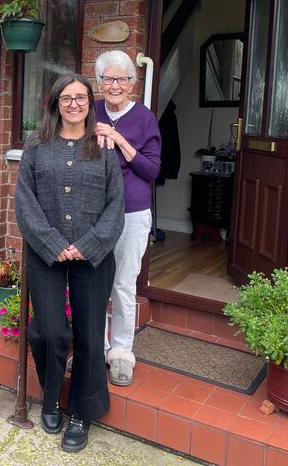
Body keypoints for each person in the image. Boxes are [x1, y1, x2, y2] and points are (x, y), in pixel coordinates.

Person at [15, 73, 125, 453]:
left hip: (91, 257)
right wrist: (52, 242)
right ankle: (50, 397)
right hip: (47, 253)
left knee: (90, 336)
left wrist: (88, 245)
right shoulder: (36, 145)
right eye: (67, 98)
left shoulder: (104, 145)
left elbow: (116, 204)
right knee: (48, 331)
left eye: (81, 98)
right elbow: (24, 200)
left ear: (89, 103)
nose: (74, 104)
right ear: (55, 103)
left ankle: (82, 413)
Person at [95, 50, 162, 387]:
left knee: (122, 286)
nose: (115, 84)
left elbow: (151, 169)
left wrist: (119, 139)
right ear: (99, 83)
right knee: (93, 283)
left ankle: (121, 353)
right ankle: (97, 348)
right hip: (94, 211)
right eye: (109, 78)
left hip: (132, 212)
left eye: (122, 78)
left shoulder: (144, 118)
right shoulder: (89, 111)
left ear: (133, 84)